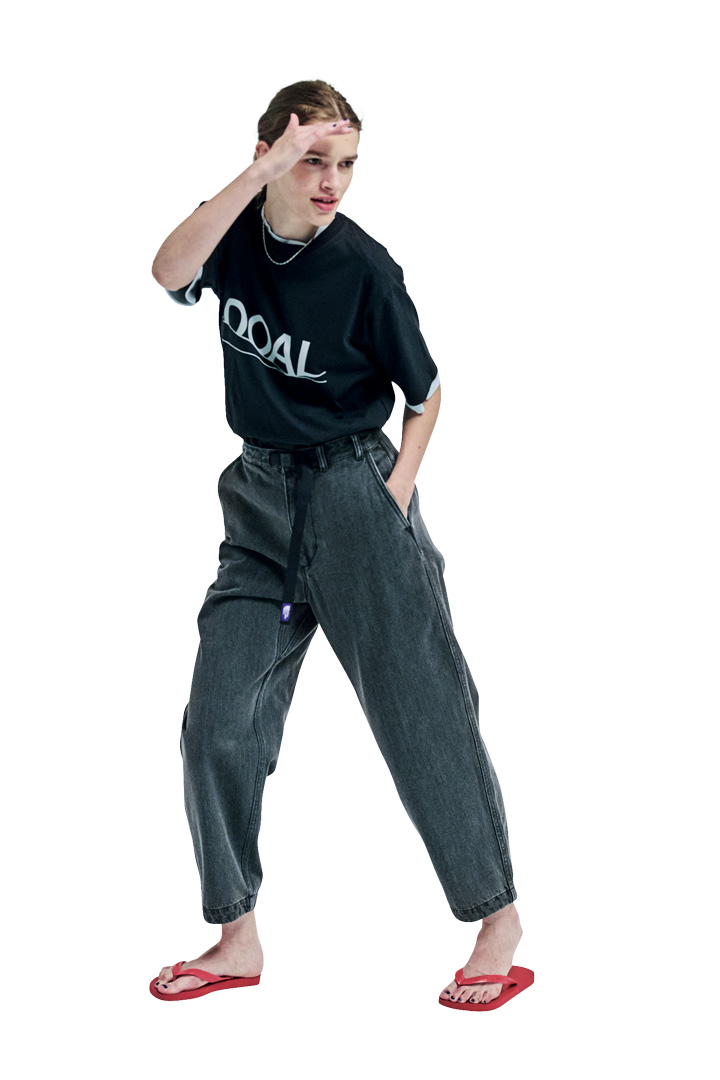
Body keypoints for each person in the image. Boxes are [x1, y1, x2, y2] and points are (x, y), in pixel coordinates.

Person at [149, 80, 528, 1010]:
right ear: (271, 154)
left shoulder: (364, 269)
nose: (331, 182)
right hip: (259, 507)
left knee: (421, 714)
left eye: (346, 164)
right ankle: (236, 937)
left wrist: (394, 493)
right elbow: (167, 271)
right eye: (313, 159)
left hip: (354, 495)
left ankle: (498, 922)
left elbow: (425, 393)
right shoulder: (232, 232)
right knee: (218, 721)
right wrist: (258, 175)